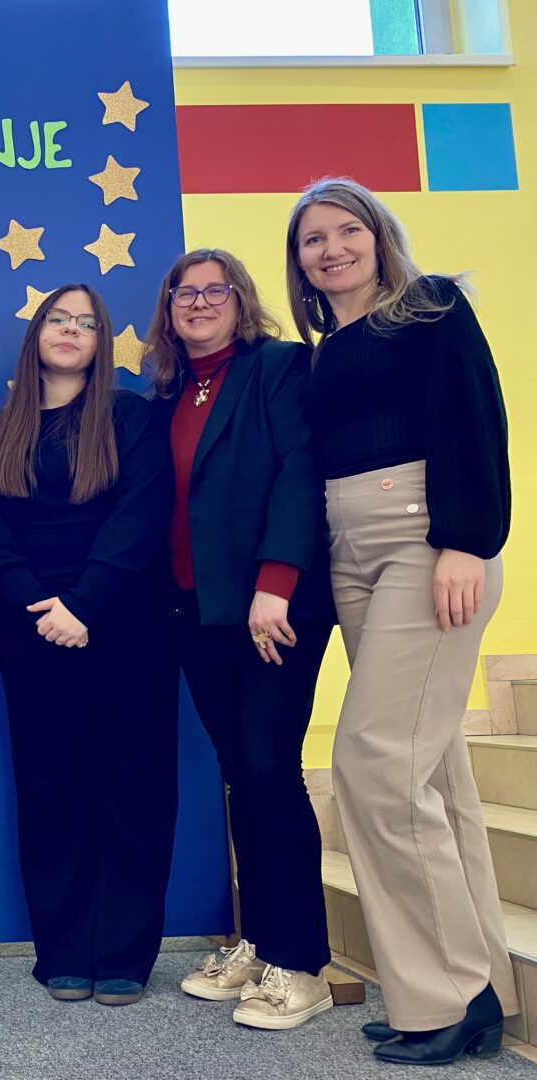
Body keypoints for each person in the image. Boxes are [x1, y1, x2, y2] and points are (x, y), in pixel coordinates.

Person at [287, 177, 514, 1066]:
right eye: (313, 239)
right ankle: (477, 987)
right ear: (299, 262)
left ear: (379, 235)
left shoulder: (432, 308)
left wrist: (465, 540)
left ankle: (448, 994)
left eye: (347, 229)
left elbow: (475, 420)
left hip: (426, 535)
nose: (332, 248)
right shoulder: (324, 350)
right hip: (350, 544)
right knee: (435, 772)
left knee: (374, 761)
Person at [0, 284, 177, 1006]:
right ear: (37, 334)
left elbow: (142, 517)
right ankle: (63, 952)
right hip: (31, 632)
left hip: (127, 623)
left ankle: (123, 955)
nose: (72, 329)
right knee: (51, 785)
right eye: (59, 318)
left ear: (101, 343)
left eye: (87, 322)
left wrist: (84, 605)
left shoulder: (131, 417)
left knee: (134, 784)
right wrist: (42, 610)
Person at [144, 248, 336, 1029]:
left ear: (241, 298)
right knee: (240, 774)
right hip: (198, 611)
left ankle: (302, 963)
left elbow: (300, 470)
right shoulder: (168, 394)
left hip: (272, 605)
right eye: (183, 293)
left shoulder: (277, 368)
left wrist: (276, 581)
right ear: (168, 311)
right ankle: (257, 943)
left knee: (269, 768)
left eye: (213, 289)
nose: (198, 302)